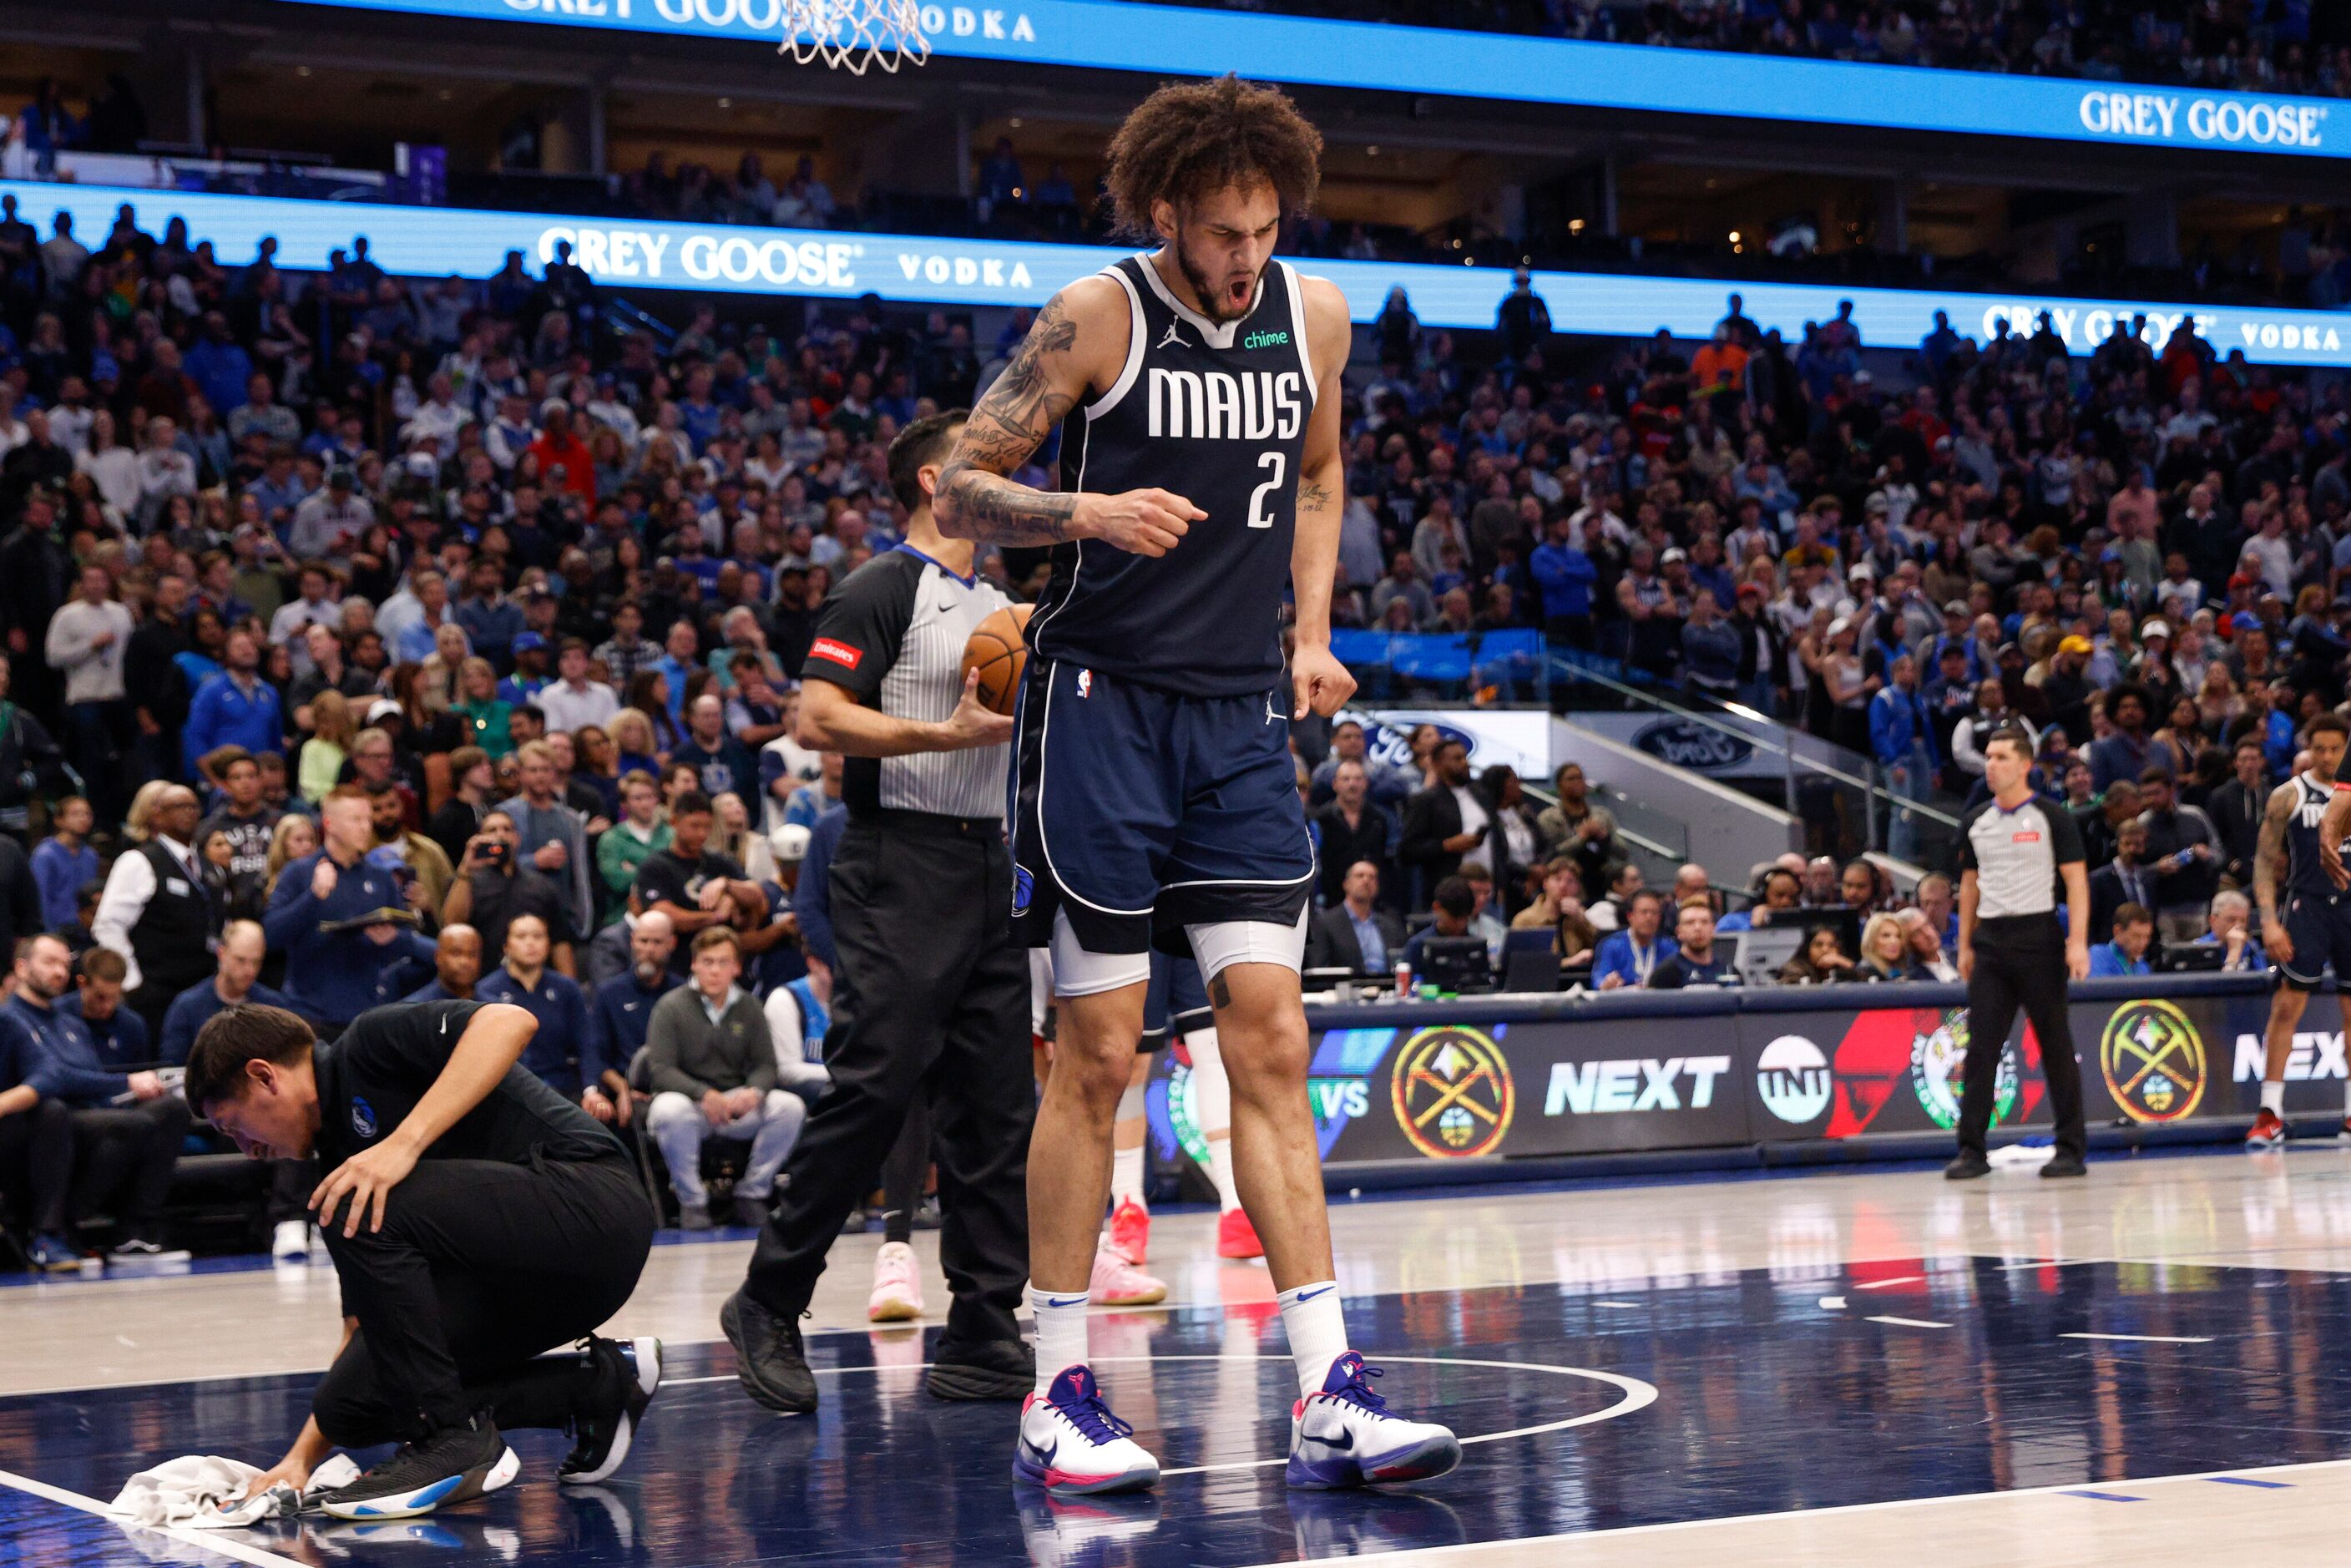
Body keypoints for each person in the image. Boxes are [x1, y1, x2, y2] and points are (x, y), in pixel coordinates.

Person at [932, 85, 1464, 1483]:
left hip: (1236, 722)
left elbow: (1322, 471)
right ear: (1166, 211)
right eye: (1221, 232)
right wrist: (1086, 509)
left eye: (1265, 229)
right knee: (1100, 1057)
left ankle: (1328, 1386)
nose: (1244, 257)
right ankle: (1058, 1388)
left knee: (1272, 1041)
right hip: (1102, 710)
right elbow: (955, 484)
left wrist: (1311, 632)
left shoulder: (1317, 317)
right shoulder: (1095, 315)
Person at [720, 410, 1035, 1418]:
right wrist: (942, 733)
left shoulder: (998, 600)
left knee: (993, 1113)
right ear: (939, 481)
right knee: (873, 1090)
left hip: (987, 862)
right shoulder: (879, 585)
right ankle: (769, 1300)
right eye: (990, 459)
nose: (1013, 469)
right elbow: (814, 718)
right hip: (896, 859)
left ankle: (984, 1333)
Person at [185, 999, 660, 1518]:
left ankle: (453, 1442)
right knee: (351, 1405)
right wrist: (297, 1462)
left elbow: (510, 1022)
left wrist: (404, 1144)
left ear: (264, 1077)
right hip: (536, 1278)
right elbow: (368, 1329)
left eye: (234, 1126)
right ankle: (590, 1389)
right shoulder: (342, 1156)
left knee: (352, 1198)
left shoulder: (367, 1044)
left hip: (593, 1209)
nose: (247, 1149)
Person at [1948, 726, 2091, 1181]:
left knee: (2055, 1047)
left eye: (2002, 757)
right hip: (1990, 942)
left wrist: (2078, 941)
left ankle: (2070, 1148)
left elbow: (2076, 882)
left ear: (2026, 765)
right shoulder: (1975, 821)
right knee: (1981, 1050)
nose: (1991, 765)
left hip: (2040, 938)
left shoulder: (2052, 816)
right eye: (1988, 757)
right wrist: (1964, 943)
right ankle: (1972, 1151)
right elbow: (1969, 886)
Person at [1, 933, 191, 1262]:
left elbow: (87, 1075)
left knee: (170, 1110)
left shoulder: (68, 1021)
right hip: (41, 1124)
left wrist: (127, 1091)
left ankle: (132, 1232)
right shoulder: (11, 1018)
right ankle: (48, 1230)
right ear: (21, 967)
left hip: (88, 1113)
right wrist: (125, 1081)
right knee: (120, 1123)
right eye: (49, 962)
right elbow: (53, 1078)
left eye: (64, 962)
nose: (59, 971)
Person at [644, 928, 802, 1230]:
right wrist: (703, 1094)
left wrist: (754, 1091)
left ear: (737, 967)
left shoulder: (750, 1007)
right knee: (667, 1110)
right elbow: (661, 1070)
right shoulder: (670, 1007)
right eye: (707, 961)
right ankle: (692, 1200)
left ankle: (753, 1192)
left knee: (789, 1107)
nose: (714, 970)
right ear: (694, 964)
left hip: (736, 1104)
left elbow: (766, 1064)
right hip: (692, 1104)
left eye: (723, 962)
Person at [2250, 716, 2351, 1147]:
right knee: (2287, 1008)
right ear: (2308, 749)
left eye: (2336, 749)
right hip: (2306, 905)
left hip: (2350, 909)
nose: (2328, 757)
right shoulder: (2288, 795)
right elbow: (2263, 862)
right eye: (2320, 748)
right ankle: (2270, 1113)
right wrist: (2269, 922)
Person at [264, 787, 439, 1033]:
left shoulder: (381, 878)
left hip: (367, 1013)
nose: (366, 827)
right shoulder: (299, 872)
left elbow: (401, 943)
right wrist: (313, 896)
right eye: (356, 819)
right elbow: (271, 936)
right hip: (309, 1014)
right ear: (329, 823)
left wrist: (390, 939)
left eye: (368, 819)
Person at [91, 782, 224, 1044]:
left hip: (204, 990)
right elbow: (108, 925)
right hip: (156, 992)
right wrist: (131, 980)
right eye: (178, 807)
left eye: (193, 806)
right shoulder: (138, 861)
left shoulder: (211, 868)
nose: (187, 812)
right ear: (157, 816)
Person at [443, 812, 574, 975]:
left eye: (507, 829)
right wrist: (465, 869)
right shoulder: (465, 882)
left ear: (517, 838)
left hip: (533, 978)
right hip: (482, 978)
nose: (500, 834)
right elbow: (453, 925)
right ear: (479, 838)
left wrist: (569, 987)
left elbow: (559, 940)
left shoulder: (541, 885)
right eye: (492, 830)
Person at [0, 999, 75, 1270]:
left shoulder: (8, 1021)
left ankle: (47, 1236)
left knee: (51, 1112)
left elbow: (49, 1074)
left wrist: (3, 1103)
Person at [495, 740, 594, 942]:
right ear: (521, 773)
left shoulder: (572, 818)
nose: (540, 775)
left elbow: (581, 876)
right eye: (533, 770)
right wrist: (536, 861)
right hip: (519, 918)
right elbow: (494, 866)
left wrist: (583, 921)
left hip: (565, 920)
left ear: (554, 773)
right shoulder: (505, 814)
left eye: (545, 769)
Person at [586, 911, 679, 1122]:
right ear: (632, 942)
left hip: (675, 1091)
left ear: (671, 943)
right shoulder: (609, 993)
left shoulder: (682, 993)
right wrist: (622, 1088)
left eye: (657, 942)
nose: (649, 949)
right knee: (601, 1110)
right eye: (643, 941)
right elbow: (596, 1055)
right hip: (620, 1089)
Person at [1399, 738, 1488, 910]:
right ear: (1437, 765)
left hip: (1487, 891)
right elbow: (1407, 851)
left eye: (1465, 757)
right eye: (1457, 759)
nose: (1465, 763)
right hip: (1452, 895)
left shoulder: (1481, 794)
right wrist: (1446, 845)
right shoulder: (1425, 800)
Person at [1303, 860, 1403, 975]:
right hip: (1344, 990)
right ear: (1346, 884)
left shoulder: (1390, 926)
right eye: (1360, 876)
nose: (1366, 881)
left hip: (1386, 989)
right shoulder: (1325, 924)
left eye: (1372, 877)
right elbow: (1319, 970)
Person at [31, 795, 98, 933]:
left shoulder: (90, 855)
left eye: (87, 814)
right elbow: (40, 899)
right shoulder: (45, 855)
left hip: (84, 930)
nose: (83, 818)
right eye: (75, 814)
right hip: (56, 929)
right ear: (59, 820)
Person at [1591, 888, 1675, 990]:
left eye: (1655, 913)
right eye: (1644, 912)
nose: (1649, 918)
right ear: (1630, 916)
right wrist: (1606, 983)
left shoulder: (1668, 945)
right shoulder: (1612, 945)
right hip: (1623, 1003)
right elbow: (1599, 978)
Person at [1647, 903, 1732, 988]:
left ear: (1713, 929)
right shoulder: (1665, 974)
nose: (1698, 928)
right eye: (1690, 923)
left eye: (1704, 922)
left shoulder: (1729, 970)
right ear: (1679, 932)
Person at [1853, 911, 1926, 982]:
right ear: (1871, 940)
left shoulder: (1906, 970)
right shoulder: (1865, 972)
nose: (1894, 941)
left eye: (1898, 936)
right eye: (1886, 936)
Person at [2089, 903, 2156, 977]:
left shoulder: (2144, 968)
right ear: (2118, 931)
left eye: (2147, 937)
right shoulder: (2098, 956)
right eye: (2136, 936)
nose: (2143, 943)